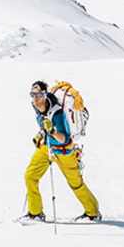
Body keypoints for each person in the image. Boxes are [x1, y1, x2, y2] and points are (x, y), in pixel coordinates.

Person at [22, 81, 100, 221]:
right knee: (30, 176)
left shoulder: (57, 113)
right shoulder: (37, 108)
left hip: (64, 151)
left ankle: (93, 213)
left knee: (76, 184)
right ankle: (35, 213)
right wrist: (41, 134)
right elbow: (44, 126)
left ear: (45, 95)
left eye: (39, 95)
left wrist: (51, 130)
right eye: (33, 95)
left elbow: (65, 139)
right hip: (47, 147)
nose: (35, 99)